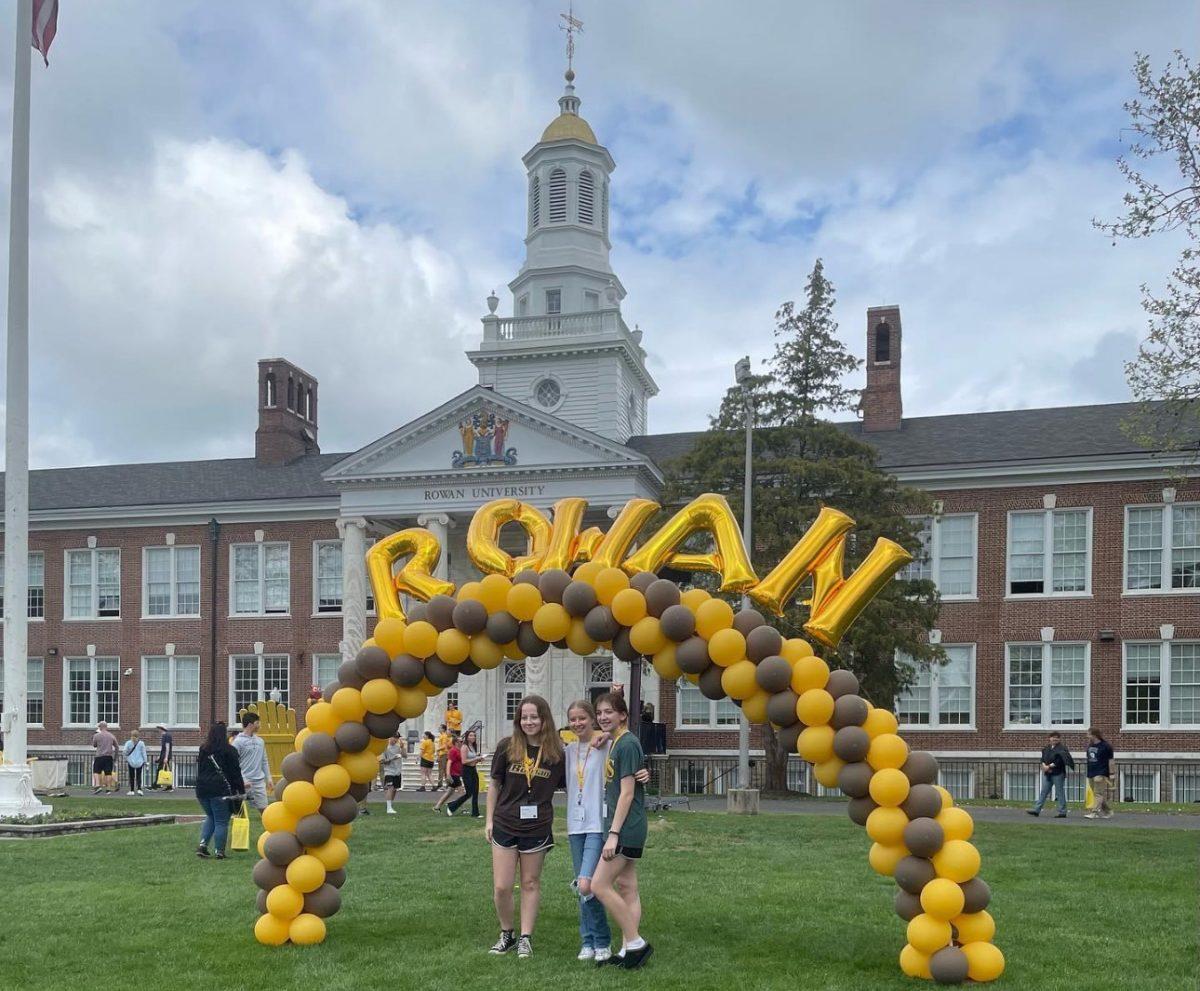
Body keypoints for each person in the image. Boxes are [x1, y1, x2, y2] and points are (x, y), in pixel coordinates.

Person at [485, 695, 566, 960]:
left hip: (537, 827)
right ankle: (507, 933)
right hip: (505, 823)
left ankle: (525, 938)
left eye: (534, 717)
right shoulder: (507, 747)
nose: (529, 722)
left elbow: (584, 769)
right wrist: (488, 820)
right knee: (502, 886)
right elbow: (494, 785)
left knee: (530, 882)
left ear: (544, 720)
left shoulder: (556, 754)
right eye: (524, 717)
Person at [591, 692, 652, 969]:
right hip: (623, 825)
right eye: (600, 712)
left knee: (599, 885)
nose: (603, 717)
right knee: (627, 887)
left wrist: (613, 834)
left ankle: (636, 942)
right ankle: (628, 951)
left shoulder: (627, 744)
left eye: (609, 712)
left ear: (623, 715)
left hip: (626, 828)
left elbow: (627, 794)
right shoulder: (617, 742)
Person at [564, 700, 614, 962]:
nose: (577, 723)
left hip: (596, 823)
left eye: (582, 718)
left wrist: (604, 734)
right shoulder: (569, 750)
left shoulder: (603, 745)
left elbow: (619, 731)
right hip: (575, 825)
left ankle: (602, 939)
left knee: (587, 884)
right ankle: (588, 941)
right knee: (581, 885)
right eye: (573, 719)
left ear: (591, 719)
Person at [195, 722, 245, 859]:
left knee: (211, 816)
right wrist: (240, 790)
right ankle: (219, 851)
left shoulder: (203, 749)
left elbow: (200, 769)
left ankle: (203, 845)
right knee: (221, 821)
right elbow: (235, 773)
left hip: (202, 789)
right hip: (220, 789)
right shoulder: (230, 751)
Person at [232, 712, 274, 813]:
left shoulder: (260, 741)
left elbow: (264, 761)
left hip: (259, 782)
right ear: (251, 725)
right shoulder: (238, 742)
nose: (259, 725)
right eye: (257, 723)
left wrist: (269, 778)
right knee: (238, 813)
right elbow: (233, 764)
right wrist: (243, 779)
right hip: (242, 783)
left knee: (265, 811)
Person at [1028, 730, 1075, 818]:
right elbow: (1042, 759)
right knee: (1044, 792)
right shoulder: (1047, 748)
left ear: (1059, 739)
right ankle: (1036, 810)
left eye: (1057, 738)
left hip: (1058, 773)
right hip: (1048, 774)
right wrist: (1044, 765)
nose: (1055, 739)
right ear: (1049, 738)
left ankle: (1062, 812)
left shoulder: (1062, 748)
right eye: (1053, 737)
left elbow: (1060, 761)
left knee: (1059, 792)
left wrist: (1049, 766)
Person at [448, 728, 483, 818]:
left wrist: (478, 760)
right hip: (466, 771)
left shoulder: (473, 747)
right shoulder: (464, 747)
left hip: (473, 769)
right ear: (467, 737)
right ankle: (452, 806)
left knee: (475, 792)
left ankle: (475, 813)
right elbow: (464, 761)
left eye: (474, 735)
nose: (473, 737)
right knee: (469, 792)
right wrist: (476, 758)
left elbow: (472, 761)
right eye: (471, 735)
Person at [1084, 727, 1116, 820]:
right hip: (1091, 771)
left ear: (1094, 735)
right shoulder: (1090, 745)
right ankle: (1108, 811)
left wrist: (1112, 773)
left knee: (1098, 793)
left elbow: (1111, 760)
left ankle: (1094, 813)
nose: (1087, 736)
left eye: (1088, 734)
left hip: (1101, 772)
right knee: (1097, 794)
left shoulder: (1106, 746)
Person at [435, 734, 465, 814]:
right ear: (456, 742)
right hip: (453, 774)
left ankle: (437, 807)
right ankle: (462, 809)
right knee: (461, 792)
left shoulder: (459, 750)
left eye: (462, 741)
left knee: (449, 792)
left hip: (457, 773)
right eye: (461, 741)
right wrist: (448, 774)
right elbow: (449, 762)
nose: (462, 742)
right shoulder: (453, 750)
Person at [381, 733, 408, 814]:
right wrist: (393, 758)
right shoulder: (385, 747)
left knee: (395, 789)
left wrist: (403, 747)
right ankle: (389, 808)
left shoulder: (398, 747)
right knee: (391, 788)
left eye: (397, 738)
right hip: (389, 771)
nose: (396, 739)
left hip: (397, 771)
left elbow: (405, 756)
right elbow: (383, 761)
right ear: (390, 737)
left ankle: (389, 805)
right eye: (395, 737)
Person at [91, 722, 119, 794]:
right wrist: (115, 757)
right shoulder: (111, 736)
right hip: (109, 757)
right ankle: (108, 789)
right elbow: (117, 747)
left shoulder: (96, 735)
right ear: (106, 727)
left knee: (96, 771)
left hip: (99, 756)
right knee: (108, 773)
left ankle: (97, 785)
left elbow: (94, 745)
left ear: (100, 727)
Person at [122, 730, 148, 795]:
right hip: (140, 761)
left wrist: (126, 758)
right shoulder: (141, 743)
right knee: (139, 776)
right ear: (138, 736)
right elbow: (144, 753)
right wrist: (145, 761)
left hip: (131, 761)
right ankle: (139, 789)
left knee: (131, 776)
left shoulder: (128, 743)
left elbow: (124, 751)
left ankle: (132, 790)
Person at [151, 725, 173, 791]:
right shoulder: (165, 735)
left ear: (162, 729)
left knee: (160, 770)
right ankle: (169, 787)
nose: (158, 730)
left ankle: (156, 785)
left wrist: (166, 757)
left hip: (165, 756)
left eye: (159, 729)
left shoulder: (167, 736)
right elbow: (163, 748)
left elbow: (167, 747)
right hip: (163, 756)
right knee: (165, 770)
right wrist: (159, 756)